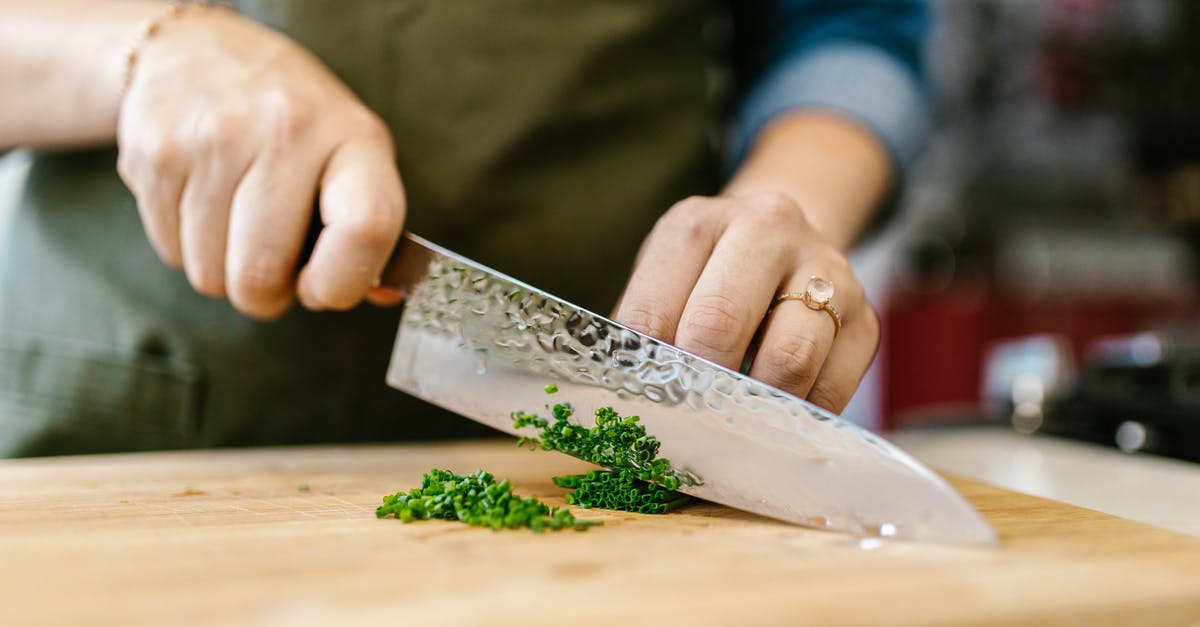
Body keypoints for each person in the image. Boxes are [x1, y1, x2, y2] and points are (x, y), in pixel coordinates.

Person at [0, 0, 930, 456]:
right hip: (118, 427)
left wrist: (787, 211)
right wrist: (144, 51)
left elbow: (848, 27)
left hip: (606, 425)